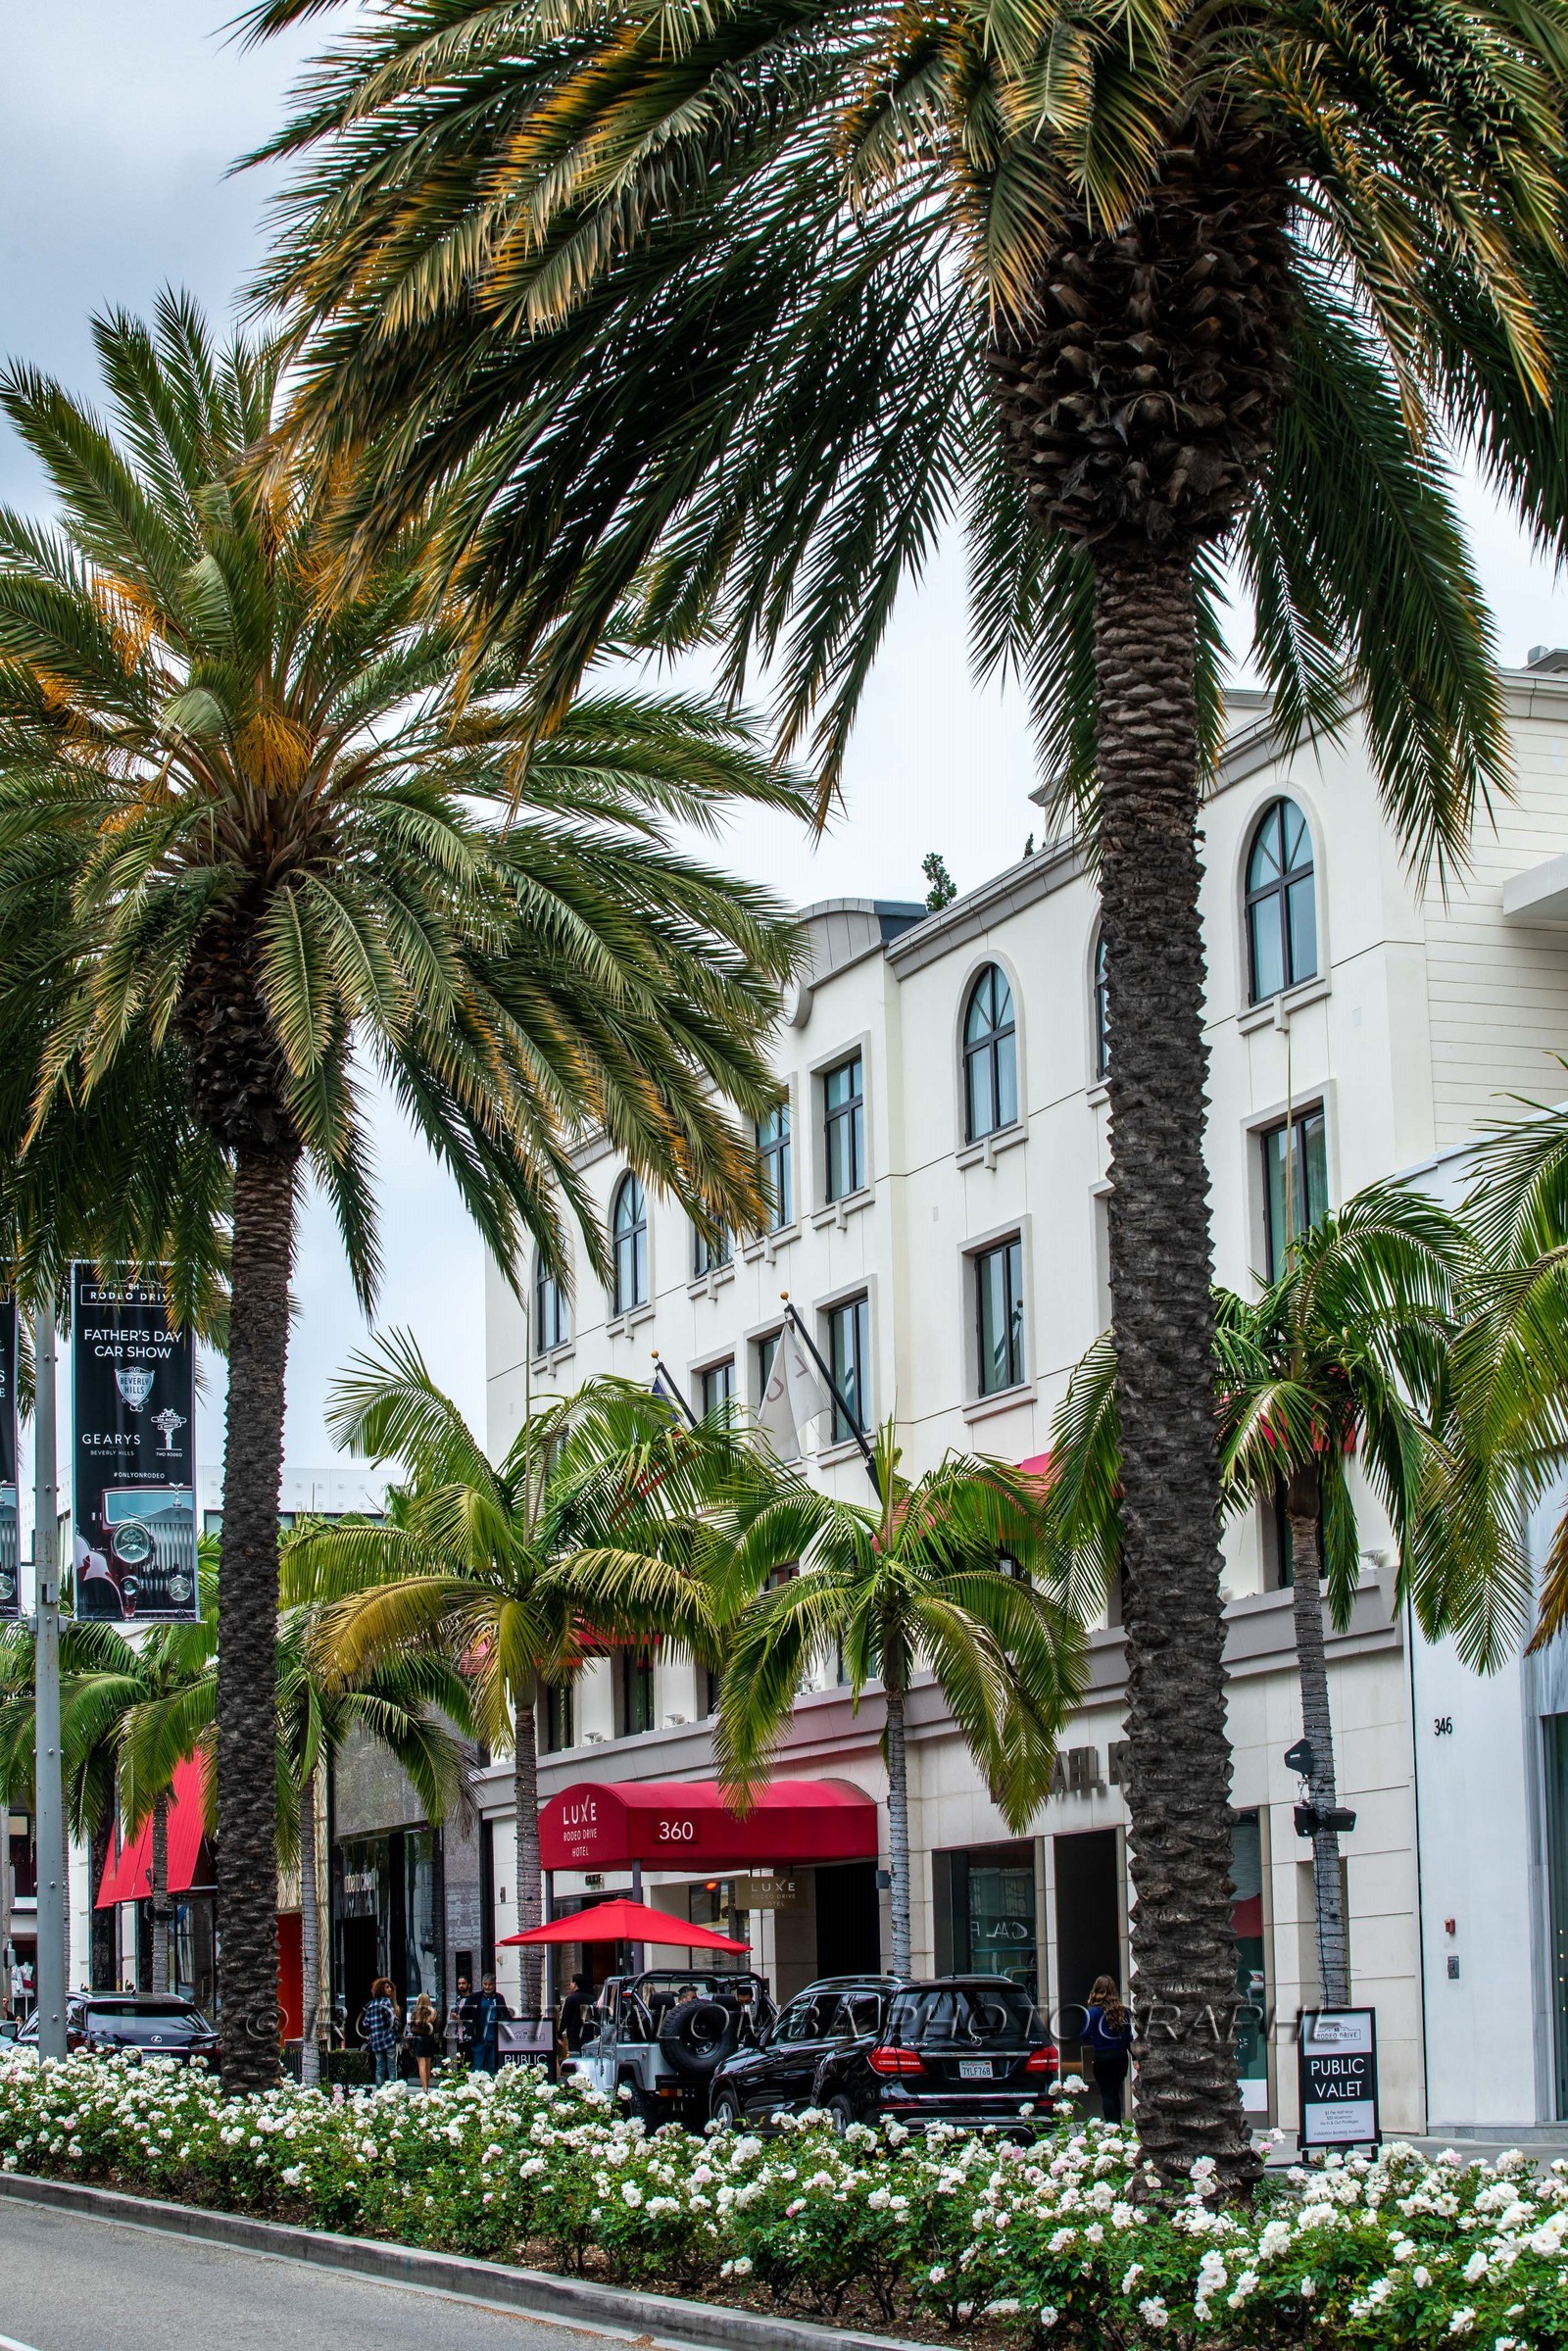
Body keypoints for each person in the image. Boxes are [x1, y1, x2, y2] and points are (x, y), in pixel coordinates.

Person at [1083, 1974, 1134, 2123]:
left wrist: (1096, 2038)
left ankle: (1111, 2128)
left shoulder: (1092, 2012)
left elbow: (1083, 2036)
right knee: (1115, 2092)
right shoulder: (1122, 2011)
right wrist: (1136, 2058)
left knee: (1106, 2093)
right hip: (1120, 2056)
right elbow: (1128, 2038)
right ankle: (1117, 2127)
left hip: (1102, 2056)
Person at [463, 1973, 511, 2075]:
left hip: (495, 2038)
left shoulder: (499, 1998)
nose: (487, 1987)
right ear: (482, 1984)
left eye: (490, 1984)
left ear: (494, 1984)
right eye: (485, 1984)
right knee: (477, 2066)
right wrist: (470, 2029)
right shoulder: (474, 1997)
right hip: (479, 2038)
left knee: (494, 2067)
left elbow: (505, 2014)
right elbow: (464, 2014)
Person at [362, 1978, 402, 2086]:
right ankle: (393, 2092)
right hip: (388, 2039)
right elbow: (392, 2020)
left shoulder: (371, 2004)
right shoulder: (387, 2002)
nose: (389, 1989)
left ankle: (380, 2092)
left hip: (376, 2040)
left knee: (380, 2067)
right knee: (391, 2067)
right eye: (387, 1987)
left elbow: (365, 2023)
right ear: (381, 1989)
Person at [408, 1990, 441, 2091]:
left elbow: (411, 2027)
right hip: (429, 2039)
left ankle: (424, 2087)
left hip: (418, 2039)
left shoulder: (415, 2012)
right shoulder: (433, 2012)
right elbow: (436, 2028)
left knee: (421, 2064)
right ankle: (427, 2084)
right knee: (428, 2063)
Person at [558, 1971, 592, 2054]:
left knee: (575, 2056)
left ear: (575, 1984)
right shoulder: (592, 1998)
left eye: (571, 1982)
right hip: (589, 2034)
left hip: (574, 2034)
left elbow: (565, 2018)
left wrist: (559, 2033)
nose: (570, 1984)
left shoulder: (570, 1999)